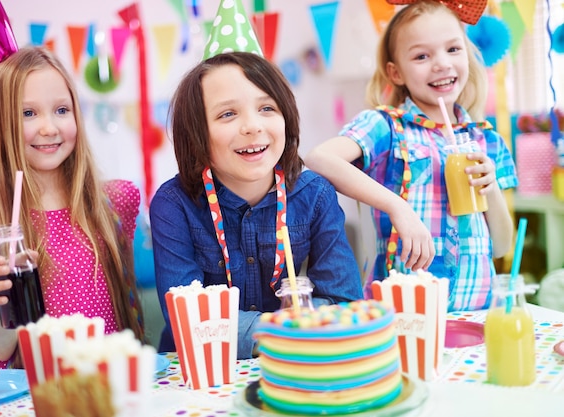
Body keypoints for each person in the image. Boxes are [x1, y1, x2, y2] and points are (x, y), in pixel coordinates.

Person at [305, 0, 517, 311]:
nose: (441, 63)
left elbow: (501, 246)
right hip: (404, 314)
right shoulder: (386, 126)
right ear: (396, 72)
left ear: (469, 56)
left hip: (477, 312)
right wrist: (397, 207)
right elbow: (318, 158)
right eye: (421, 55)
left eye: (453, 49)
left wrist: (492, 189)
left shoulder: (486, 139)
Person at [150, 52, 363, 359]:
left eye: (266, 108)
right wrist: (289, 328)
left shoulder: (315, 195)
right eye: (227, 114)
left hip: (294, 366)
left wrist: (276, 330)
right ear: (196, 134)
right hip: (201, 376)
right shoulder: (174, 206)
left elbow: (344, 303)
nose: (252, 126)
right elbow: (190, 321)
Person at [0, 46, 146, 370]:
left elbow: (129, 312)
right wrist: (0, 298)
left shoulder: (113, 204)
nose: (49, 127)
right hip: (32, 393)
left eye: (62, 110)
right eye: (29, 113)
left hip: (107, 383)